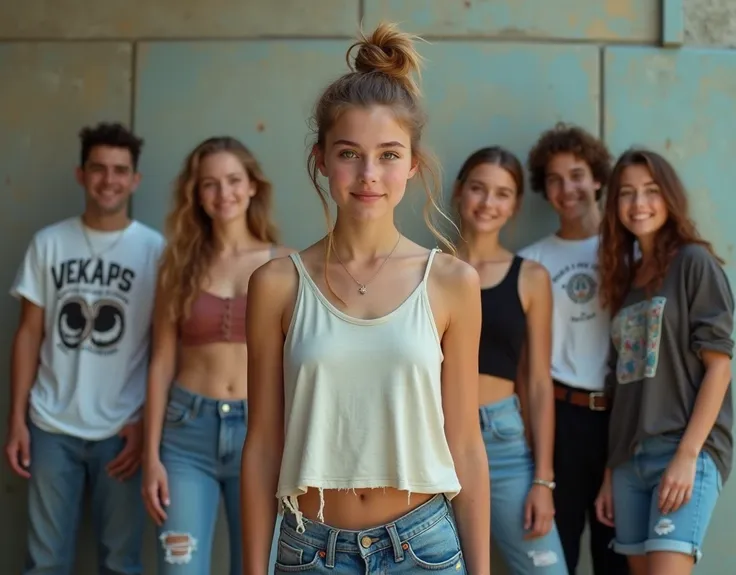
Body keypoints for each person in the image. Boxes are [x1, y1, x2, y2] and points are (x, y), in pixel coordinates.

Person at [240, 21, 490, 575]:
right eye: (350, 153)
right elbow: (261, 447)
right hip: (309, 551)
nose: (369, 174)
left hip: (422, 546)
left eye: (389, 154)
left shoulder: (451, 282)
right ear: (321, 159)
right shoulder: (276, 284)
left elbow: (466, 445)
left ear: (413, 165)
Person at [5, 122, 164, 574]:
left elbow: (164, 350)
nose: (108, 180)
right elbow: (28, 335)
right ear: (81, 174)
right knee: (45, 562)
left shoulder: (154, 250)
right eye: (98, 168)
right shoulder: (49, 242)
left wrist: (146, 423)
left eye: (120, 170)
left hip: (123, 430)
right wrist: (17, 419)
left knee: (121, 562)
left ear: (135, 180)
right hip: (51, 424)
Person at [141, 136, 291, 575]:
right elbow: (161, 361)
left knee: (259, 568)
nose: (223, 194)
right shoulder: (178, 264)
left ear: (251, 187)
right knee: (179, 567)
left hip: (262, 431)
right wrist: (151, 457)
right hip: (186, 435)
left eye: (232, 180)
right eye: (210, 184)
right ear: (196, 194)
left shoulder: (286, 263)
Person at [594, 149, 733, 575]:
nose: (639, 204)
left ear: (670, 197)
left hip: (682, 449)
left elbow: (720, 366)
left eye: (651, 191)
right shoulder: (625, 279)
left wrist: (688, 456)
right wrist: (609, 472)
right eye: (627, 193)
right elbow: (622, 384)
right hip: (628, 463)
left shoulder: (694, 263)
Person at [518, 123, 628, 575]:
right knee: (555, 553)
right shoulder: (532, 260)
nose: (568, 188)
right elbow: (527, 368)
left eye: (578, 174)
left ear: (599, 178)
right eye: (555, 179)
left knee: (618, 556)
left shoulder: (630, 251)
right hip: (560, 422)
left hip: (623, 420)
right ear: (544, 190)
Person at [454, 146, 568, 574]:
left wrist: (543, 479)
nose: (488, 203)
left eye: (502, 194)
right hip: (434, 439)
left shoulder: (531, 278)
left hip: (502, 440)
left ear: (515, 204)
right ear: (459, 191)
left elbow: (538, 384)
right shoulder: (426, 269)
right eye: (479, 189)